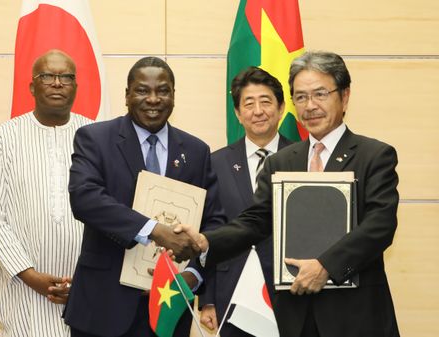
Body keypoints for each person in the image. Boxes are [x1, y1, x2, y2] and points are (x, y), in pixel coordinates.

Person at [179, 51, 400, 337]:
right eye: (301, 97)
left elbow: (380, 225)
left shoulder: (374, 155)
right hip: (295, 317)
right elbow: (255, 221)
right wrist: (207, 241)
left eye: (320, 94)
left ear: (344, 97)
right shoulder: (282, 161)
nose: (310, 106)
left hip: (355, 314)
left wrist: (325, 266)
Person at [63, 56, 225, 337]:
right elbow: (85, 198)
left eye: (163, 90)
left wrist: (193, 276)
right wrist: (154, 230)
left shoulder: (196, 151)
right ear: (127, 95)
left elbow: (215, 222)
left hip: (170, 308)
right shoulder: (95, 138)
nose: (153, 99)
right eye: (142, 90)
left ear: (174, 96)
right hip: (104, 308)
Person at [0, 49, 93, 337]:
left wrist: (88, 278)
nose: (57, 83)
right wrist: (31, 276)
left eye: (66, 77)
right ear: (32, 86)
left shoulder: (94, 137)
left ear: (76, 87)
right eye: (47, 76)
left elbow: (112, 210)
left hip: (87, 290)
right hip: (24, 294)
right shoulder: (3, 138)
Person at [199, 66, 292, 336]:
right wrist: (208, 299)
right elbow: (210, 230)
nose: (258, 111)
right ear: (238, 114)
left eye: (266, 101)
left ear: (282, 107)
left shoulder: (304, 159)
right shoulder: (216, 163)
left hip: (287, 291)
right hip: (232, 289)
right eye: (248, 104)